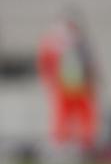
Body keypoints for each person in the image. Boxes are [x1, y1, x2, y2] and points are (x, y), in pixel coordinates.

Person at [37, 14, 99, 150]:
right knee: (63, 119)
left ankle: (85, 145)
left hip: (80, 88)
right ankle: (62, 144)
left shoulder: (81, 45)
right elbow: (47, 64)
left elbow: (89, 65)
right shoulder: (56, 45)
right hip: (65, 88)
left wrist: (92, 82)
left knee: (84, 119)